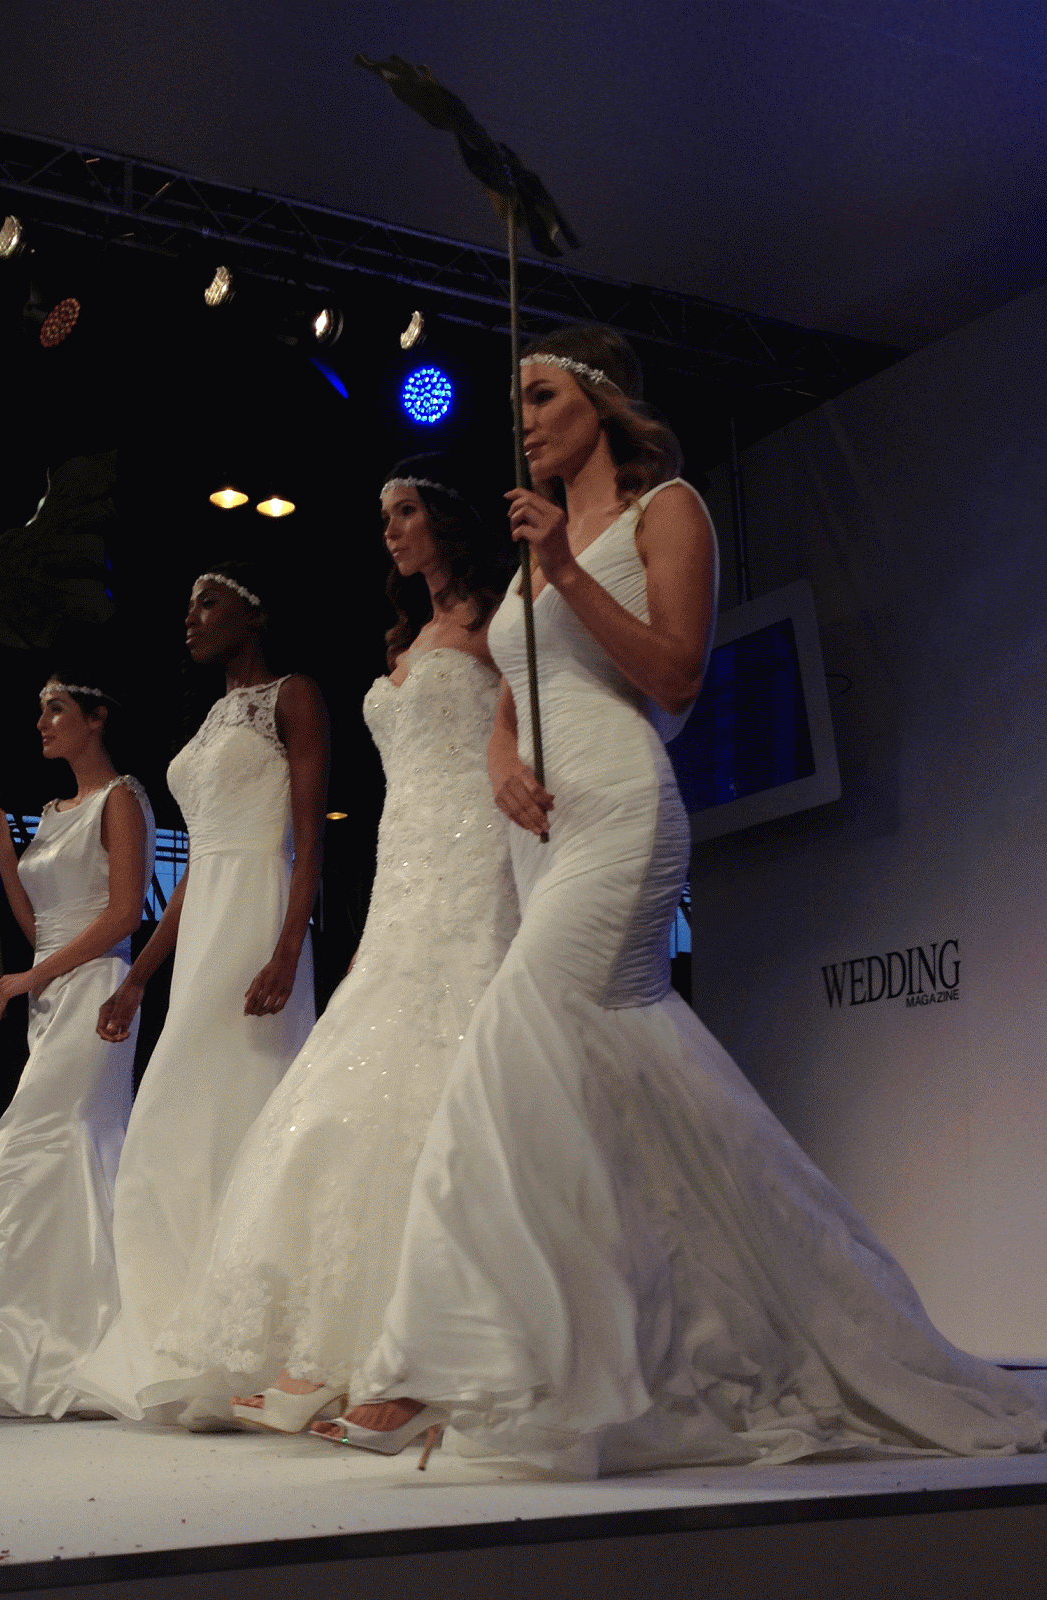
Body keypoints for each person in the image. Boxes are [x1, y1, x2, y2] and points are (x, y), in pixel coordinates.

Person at [316, 326, 1047, 1473]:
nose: (525, 420)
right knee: (605, 1089)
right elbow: (511, 688)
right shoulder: (531, 545)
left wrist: (567, 570)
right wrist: (500, 754)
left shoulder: (668, 512)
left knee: (503, 1045)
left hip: (620, 813)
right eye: (517, 403)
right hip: (541, 832)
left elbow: (676, 674)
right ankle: (630, 1348)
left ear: (601, 401)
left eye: (542, 396)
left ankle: (436, 1363)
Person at [154, 456, 518, 1433]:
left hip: (476, 854)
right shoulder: (407, 637)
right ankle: (343, 1344)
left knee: (443, 1075)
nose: (391, 529)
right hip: (403, 868)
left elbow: (523, 740)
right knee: (357, 1089)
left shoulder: (500, 622)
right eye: (385, 515)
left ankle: (431, 1350)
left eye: (406, 511)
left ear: (447, 519)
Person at [72, 564, 329, 1425]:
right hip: (209, 919)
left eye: (208, 602)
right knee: (170, 1133)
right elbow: (195, 867)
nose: (191, 618)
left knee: (242, 1115)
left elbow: (306, 838)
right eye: (187, 606)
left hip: (258, 915)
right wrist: (139, 975)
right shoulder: (215, 717)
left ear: (255, 613)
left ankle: (257, 1346)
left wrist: (288, 945)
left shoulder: (294, 696)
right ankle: (186, 1344)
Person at [0, 676, 154, 1418]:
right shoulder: (53, 812)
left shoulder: (121, 800)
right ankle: (63, 1344)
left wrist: (32, 977)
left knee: (30, 1153)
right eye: (40, 711)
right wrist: (5, 853)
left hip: (97, 993)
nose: (42, 722)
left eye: (56, 709)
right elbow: (39, 925)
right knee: (53, 1162)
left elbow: (125, 914)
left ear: (95, 717)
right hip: (50, 1000)